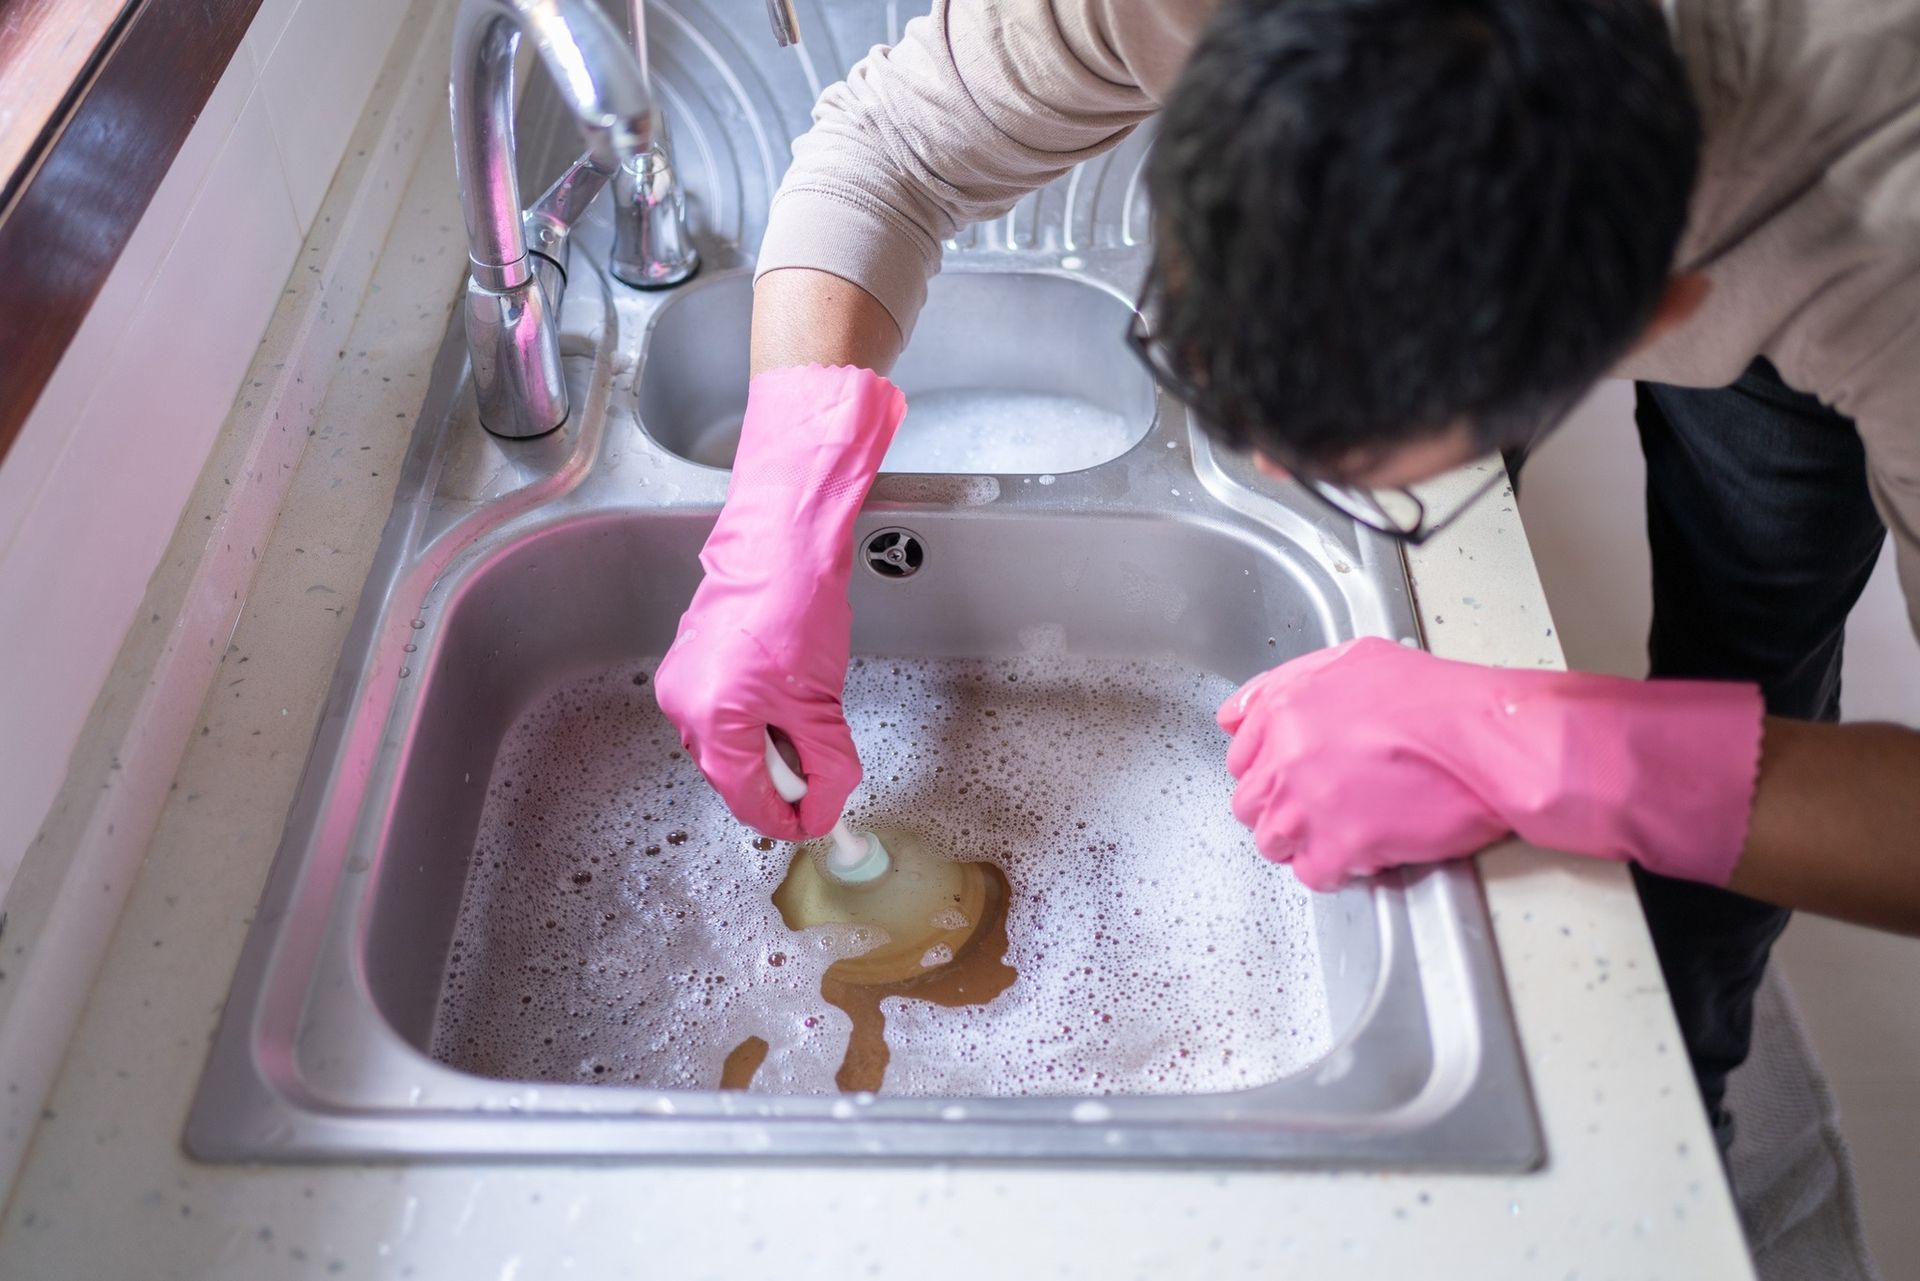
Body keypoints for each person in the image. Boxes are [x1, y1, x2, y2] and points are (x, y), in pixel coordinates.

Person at [651, 0, 1920, 1151]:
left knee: (1760, 593)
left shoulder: (1882, 217)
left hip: (1813, 218)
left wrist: (1548, 750)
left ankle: (1684, 1080)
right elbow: (884, 149)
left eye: (1341, 458)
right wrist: (780, 512)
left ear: (1650, 323)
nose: (1259, 458)